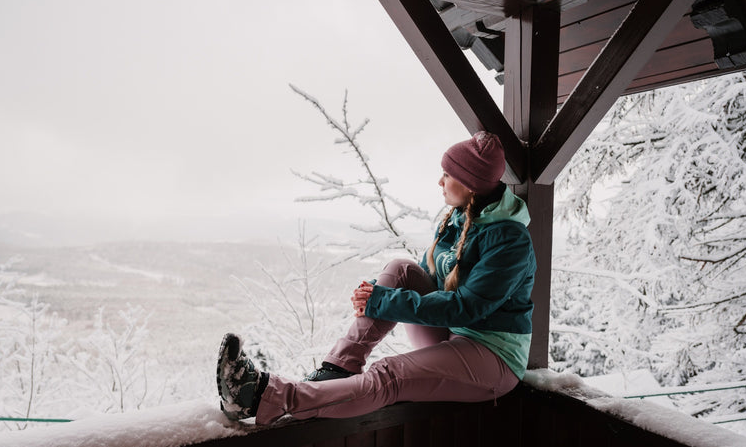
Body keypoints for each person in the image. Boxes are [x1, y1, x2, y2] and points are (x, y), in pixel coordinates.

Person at [216, 131, 536, 425]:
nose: (440, 182)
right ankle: (336, 370)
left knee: (389, 375)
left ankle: (259, 398)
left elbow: (466, 307)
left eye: (448, 175)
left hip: (493, 356)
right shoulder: (463, 218)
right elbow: (433, 284)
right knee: (401, 269)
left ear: (469, 185)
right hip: (453, 333)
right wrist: (377, 295)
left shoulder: (509, 241)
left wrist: (382, 301)